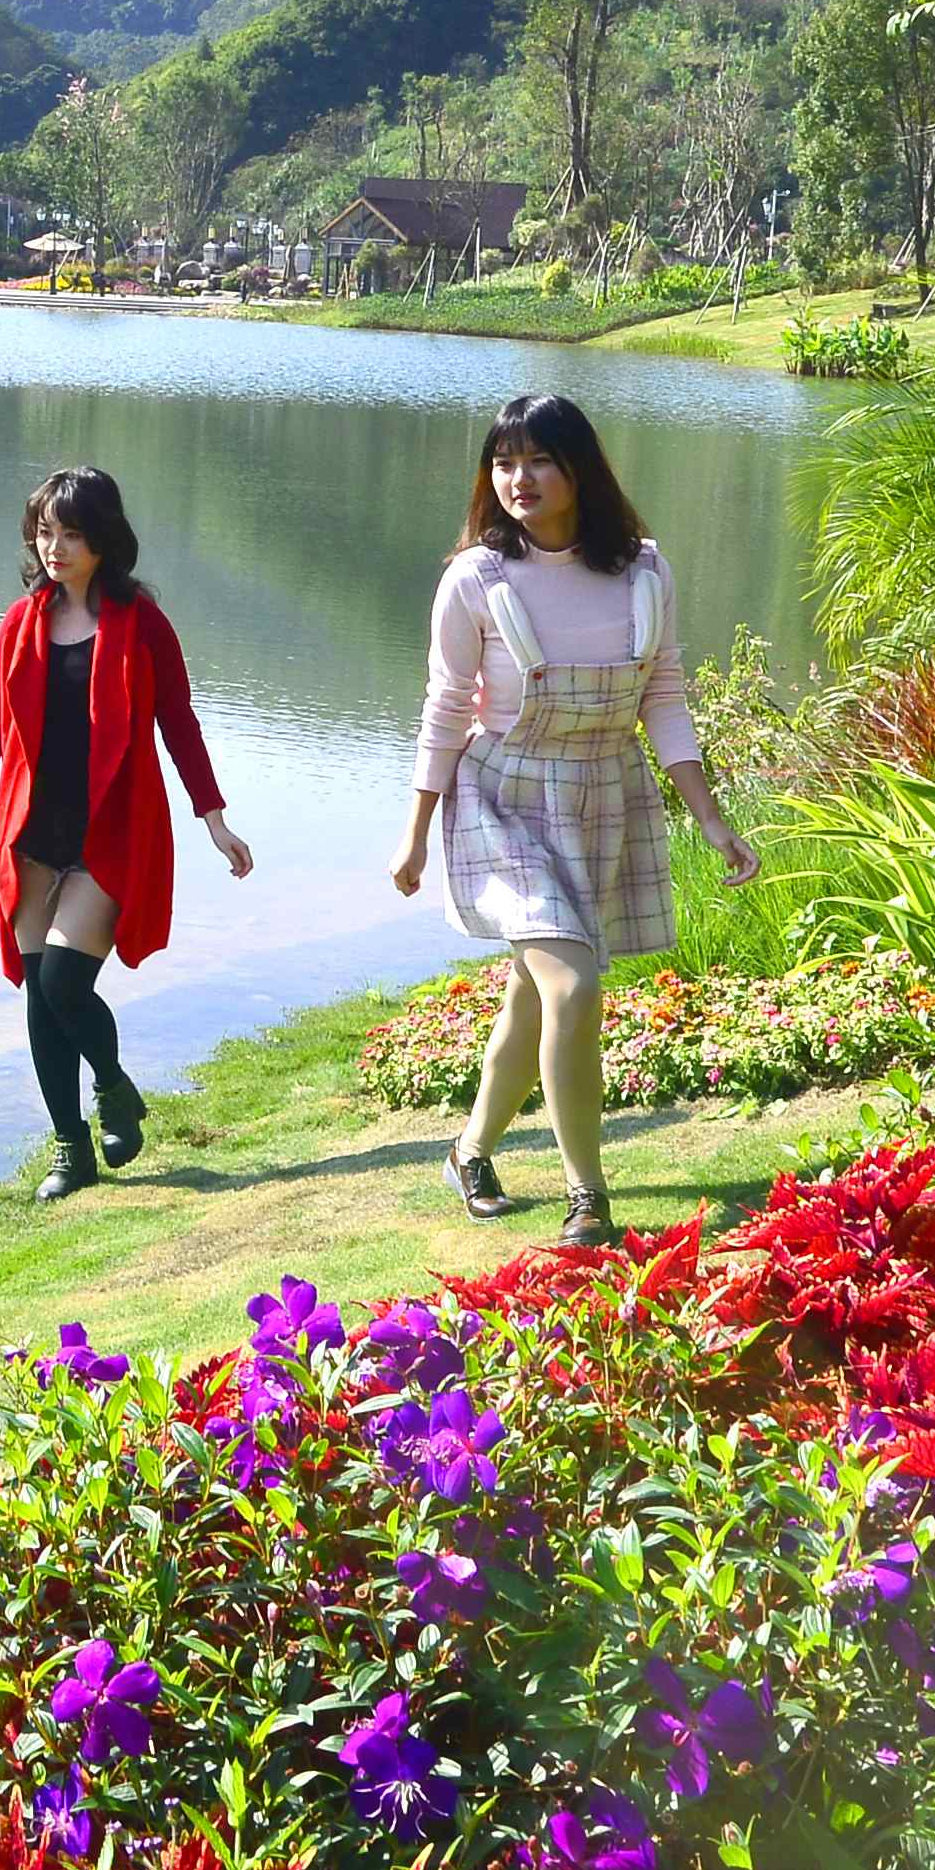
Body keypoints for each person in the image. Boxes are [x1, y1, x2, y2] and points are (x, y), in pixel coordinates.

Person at [391, 392, 748, 1248]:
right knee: (575, 984)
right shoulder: (475, 580)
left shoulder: (643, 573)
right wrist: (413, 831)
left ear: (578, 468)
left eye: (538, 460)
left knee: (536, 986)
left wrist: (710, 818)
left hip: (602, 790)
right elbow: (446, 709)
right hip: (502, 798)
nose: (519, 479)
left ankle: (470, 1151)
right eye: (504, 463)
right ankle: (590, 1195)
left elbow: (664, 697)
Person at [0, 462, 248, 1200]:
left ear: (104, 540)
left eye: (71, 533)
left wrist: (216, 821)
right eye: (45, 532)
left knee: (68, 977)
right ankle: (71, 1151)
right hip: (32, 830)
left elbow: (180, 725)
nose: (54, 547)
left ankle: (113, 1086)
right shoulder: (22, 621)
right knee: (41, 995)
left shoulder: (142, 624)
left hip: (111, 831)